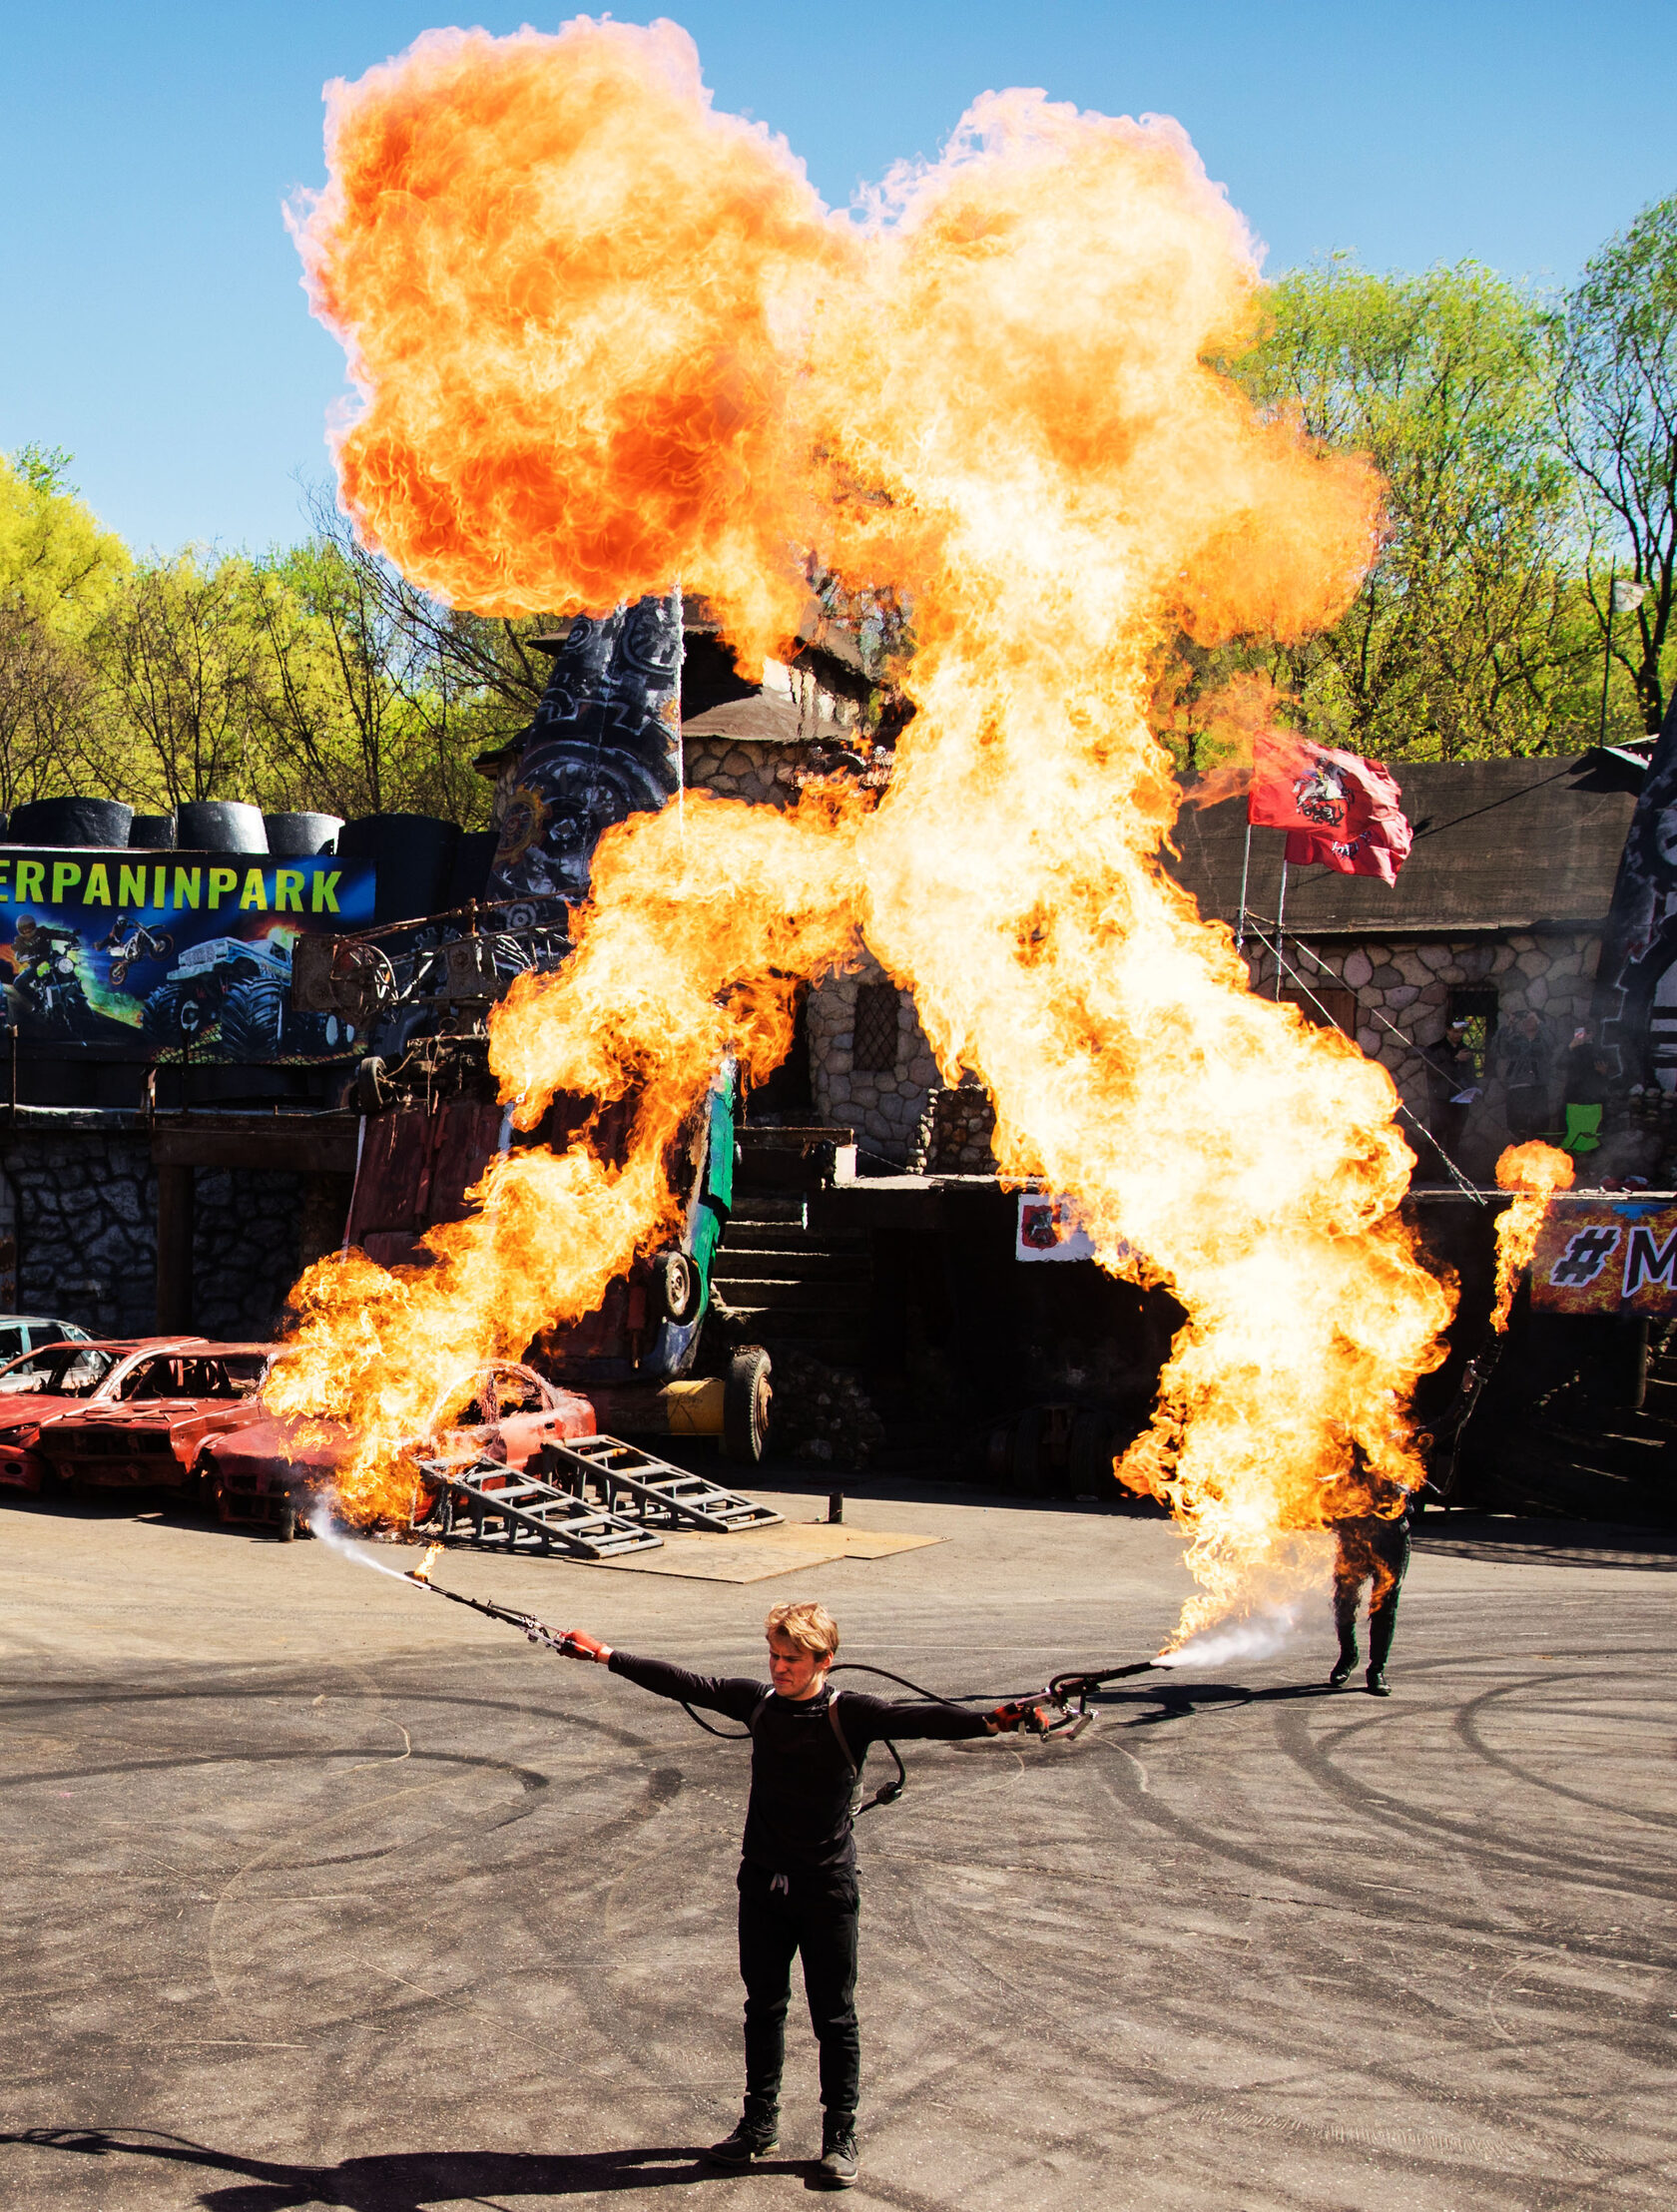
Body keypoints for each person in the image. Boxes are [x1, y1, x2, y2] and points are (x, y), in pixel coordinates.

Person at [549, 1599, 1030, 2190]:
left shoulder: (851, 1713)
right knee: (763, 2005)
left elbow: (920, 1718)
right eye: (775, 1656)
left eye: (793, 1660)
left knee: (834, 2015)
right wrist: (605, 1654)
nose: (780, 1669)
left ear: (825, 1660)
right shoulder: (758, 1702)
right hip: (762, 1882)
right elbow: (684, 1682)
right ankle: (758, 2125)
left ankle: (839, 2136)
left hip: (826, 1888)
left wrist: (991, 1721)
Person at [1329, 1470, 1436, 1696]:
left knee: (1385, 1603)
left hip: (1391, 1535)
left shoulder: (1400, 1443)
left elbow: (1411, 1476)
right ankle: (1348, 1654)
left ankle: (1376, 1669)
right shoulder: (1353, 1440)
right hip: (1354, 1532)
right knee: (1344, 1599)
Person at [1494, 1010, 1552, 1145]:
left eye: (1531, 1018)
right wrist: (1508, 1025)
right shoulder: (1515, 1040)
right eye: (1525, 1018)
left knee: (1539, 1129)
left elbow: (1551, 1043)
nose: (1527, 1021)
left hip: (1537, 1089)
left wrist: (1538, 1021)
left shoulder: (1543, 1040)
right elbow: (1499, 1049)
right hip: (1516, 1090)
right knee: (1516, 1130)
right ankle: (1517, 1161)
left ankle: (1537, 1161)